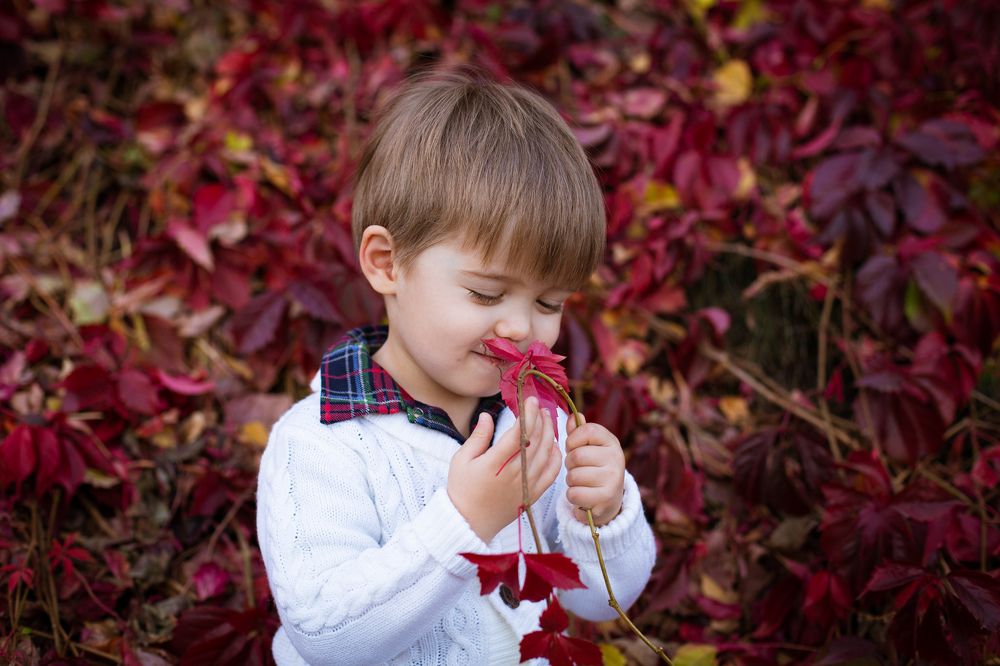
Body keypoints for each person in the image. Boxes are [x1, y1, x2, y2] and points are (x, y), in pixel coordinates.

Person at [256, 68, 657, 666]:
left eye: (549, 303)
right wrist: (465, 521)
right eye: (486, 294)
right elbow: (327, 635)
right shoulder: (319, 446)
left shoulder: (532, 424)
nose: (523, 328)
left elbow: (604, 602)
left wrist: (601, 513)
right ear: (388, 263)